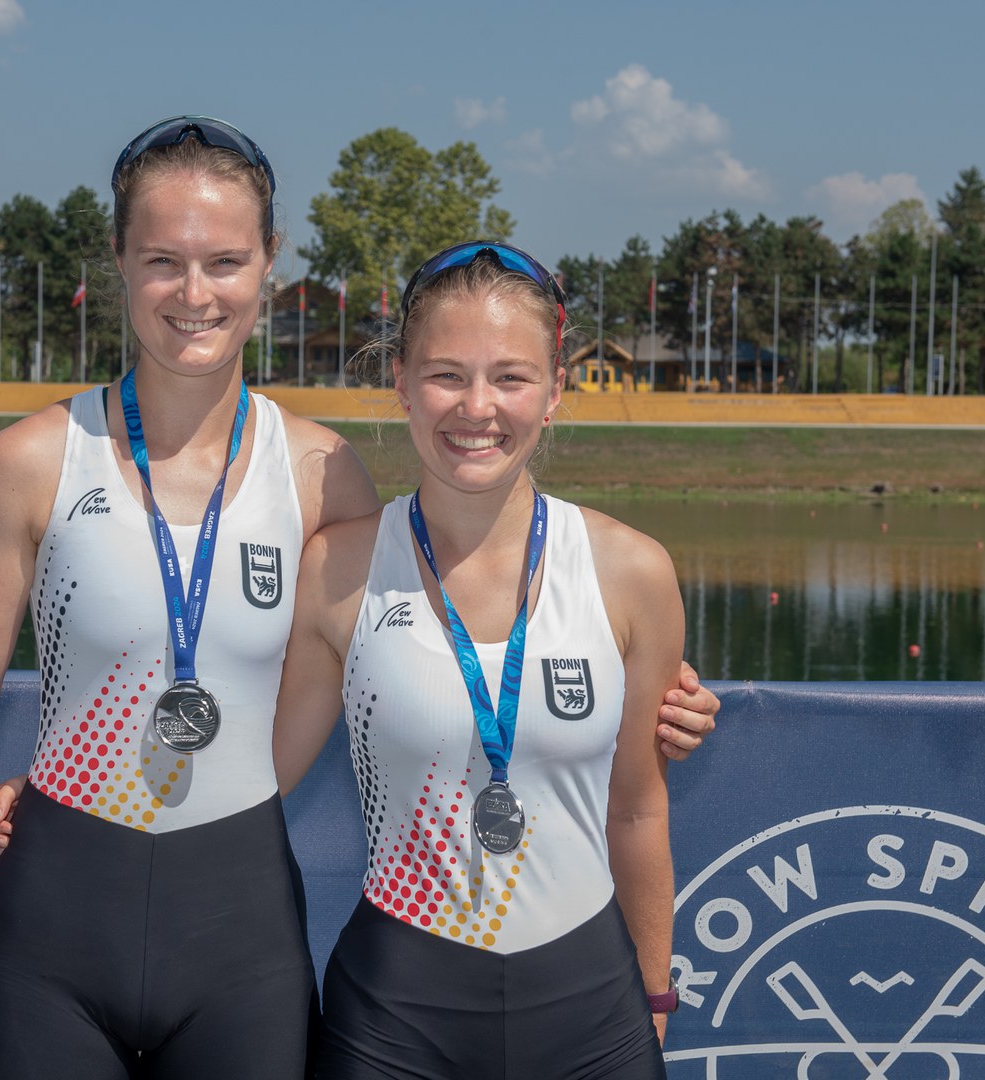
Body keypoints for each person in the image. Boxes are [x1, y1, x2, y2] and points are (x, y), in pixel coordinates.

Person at [0, 116, 717, 1080]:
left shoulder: (323, 475)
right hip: (54, 923)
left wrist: (655, 694)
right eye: (163, 260)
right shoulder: (27, 464)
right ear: (118, 263)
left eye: (225, 260)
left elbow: (450, 615)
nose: (196, 294)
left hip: (241, 954)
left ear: (269, 265)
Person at [269, 241, 681, 1078]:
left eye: (512, 377)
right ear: (401, 382)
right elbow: (248, 780)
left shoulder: (631, 572)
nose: (477, 407)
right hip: (394, 1017)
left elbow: (636, 811)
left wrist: (655, 992)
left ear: (557, 391)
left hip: (592, 1015)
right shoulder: (338, 568)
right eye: (447, 374)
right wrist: (54, 800)